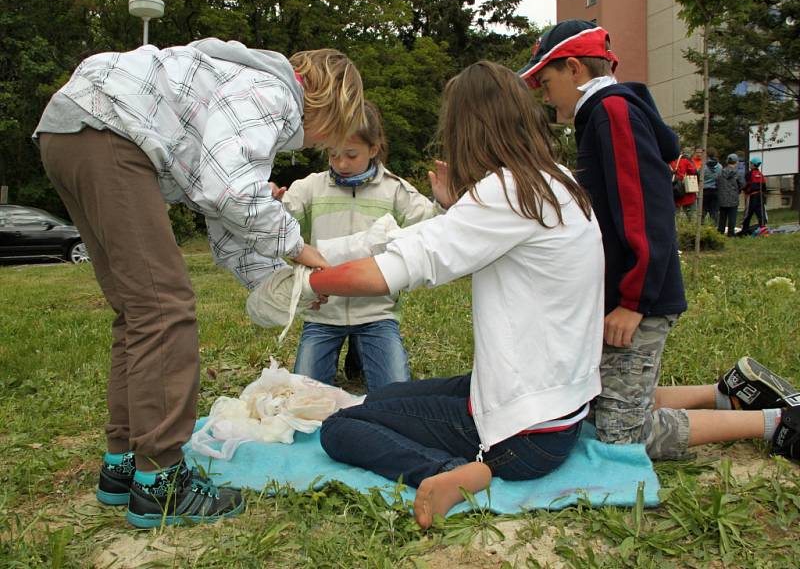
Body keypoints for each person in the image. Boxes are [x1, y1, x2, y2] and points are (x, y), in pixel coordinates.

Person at [33, 39, 365, 527]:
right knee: (163, 310)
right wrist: (298, 248)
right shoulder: (271, 94)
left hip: (72, 130)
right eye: (326, 135)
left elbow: (223, 215)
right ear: (328, 101)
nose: (316, 145)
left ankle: (123, 465)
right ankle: (162, 484)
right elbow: (233, 191)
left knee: (138, 311)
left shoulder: (235, 87)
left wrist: (279, 284)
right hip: (107, 129)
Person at [309, 61, 605, 529]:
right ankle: (469, 462)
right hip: (559, 408)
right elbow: (488, 248)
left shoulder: (505, 191)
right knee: (381, 399)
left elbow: (400, 267)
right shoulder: (555, 181)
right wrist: (455, 208)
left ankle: (456, 474)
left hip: (522, 437)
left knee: (341, 427)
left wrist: (306, 283)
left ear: (467, 127)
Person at [518, 19, 799, 463]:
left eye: (545, 80)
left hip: (639, 300)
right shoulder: (603, 115)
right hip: (624, 297)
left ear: (573, 69)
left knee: (620, 436)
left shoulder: (613, 113)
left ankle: (779, 423)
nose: (543, 93)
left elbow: (646, 211)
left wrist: (634, 300)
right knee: (598, 408)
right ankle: (729, 393)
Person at [276, 100, 442, 391]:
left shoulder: (394, 189)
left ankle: (359, 354)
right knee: (301, 397)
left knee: (395, 396)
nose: (341, 163)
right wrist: (269, 200)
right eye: (333, 153)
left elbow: (430, 224)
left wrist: (444, 204)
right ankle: (354, 356)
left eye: (351, 155)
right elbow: (279, 219)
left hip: (376, 313)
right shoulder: (312, 187)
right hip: (322, 313)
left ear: (374, 149)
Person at [717, 153, 744, 236]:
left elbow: (717, 182)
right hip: (733, 198)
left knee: (722, 216)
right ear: (736, 162)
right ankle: (731, 233)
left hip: (722, 197)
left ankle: (720, 232)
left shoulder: (721, 172)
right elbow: (742, 184)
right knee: (732, 217)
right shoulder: (737, 173)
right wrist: (738, 190)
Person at [740, 157, 768, 235]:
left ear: (753, 164)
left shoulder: (749, 174)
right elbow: (764, 187)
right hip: (760, 197)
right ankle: (763, 228)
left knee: (748, 214)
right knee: (761, 213)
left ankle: (744, 231)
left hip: (752, 197)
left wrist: (744, 190)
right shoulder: (761, 175)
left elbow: (746, 185)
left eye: (750, 163)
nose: (750, 165)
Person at [671, 150, 698, 219]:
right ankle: (692, 228)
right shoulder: (685, 161)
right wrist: (691, 161)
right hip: (687, 191)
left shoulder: (670, 163)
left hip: (675, 191)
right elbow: (694, 171)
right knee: (691, 214)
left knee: (675, 214)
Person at [701, 147, 722, 224]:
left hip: (705, 191)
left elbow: (699, 175)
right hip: (715, 190)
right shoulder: (720, 166)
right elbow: (720, 178)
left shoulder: (704, 166)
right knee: (714, 212)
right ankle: (714, 228)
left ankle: (701, 227)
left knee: (703, 211)